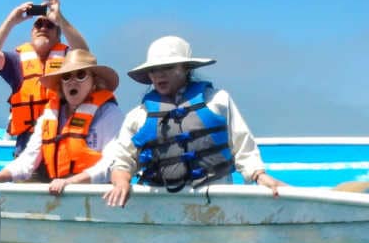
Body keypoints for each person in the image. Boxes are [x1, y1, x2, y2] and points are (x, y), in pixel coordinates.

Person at [103, 36, 284, 207]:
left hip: (215, 199)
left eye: (167, 67)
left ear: (186, 69)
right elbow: (122, 161)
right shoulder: (138, 116)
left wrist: (259, 176)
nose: (159, 75)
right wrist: (121, 182)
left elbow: (242, 145)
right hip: (162, 203)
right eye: (153, 70)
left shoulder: (217, 101)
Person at [0, 49, 123, 193]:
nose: (72, 82)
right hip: (60, 189)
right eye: (66, 77)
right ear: (61, 85)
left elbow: (112, 163)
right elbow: (28, 160)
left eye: (80, 75)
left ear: (94, 81)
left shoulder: (109, 113)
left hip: (97, 192)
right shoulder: (49, 116)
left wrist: (71, 182)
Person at [0, 0, 89, 155]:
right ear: (32, 32)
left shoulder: (68, 58)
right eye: (38, 25)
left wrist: (60, 19)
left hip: (63, 146)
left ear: (58, 35)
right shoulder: (16, 61)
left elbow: (84, 55)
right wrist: (11, 21)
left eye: (50, 25)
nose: (43, 28)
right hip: (27, 148)